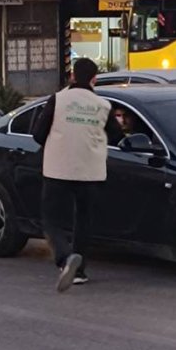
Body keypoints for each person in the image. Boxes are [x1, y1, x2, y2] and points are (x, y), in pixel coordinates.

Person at [31, 57, 124, 292]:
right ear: (94, 79)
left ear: (72, 75)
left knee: (50, 218)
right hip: (90, 171)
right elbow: (117, 136)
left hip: (57, 169)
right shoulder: (103, 105)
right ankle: (80, 271)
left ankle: (64, 258)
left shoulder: (58, 100)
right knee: (83, 219)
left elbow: (38, 134)